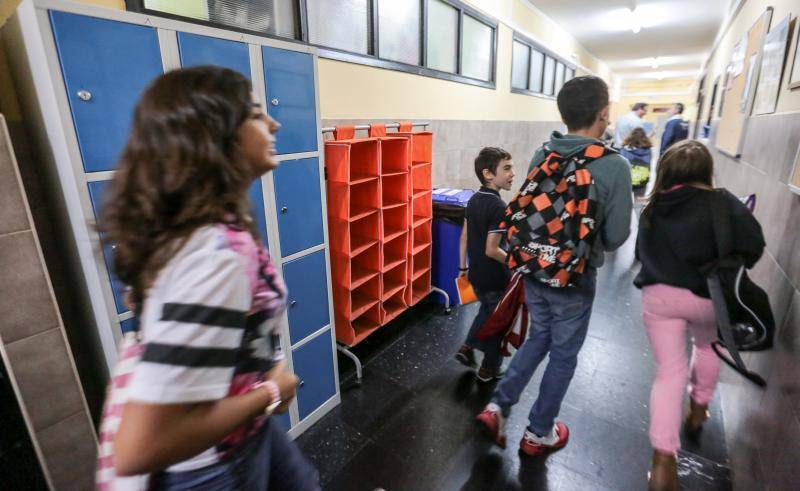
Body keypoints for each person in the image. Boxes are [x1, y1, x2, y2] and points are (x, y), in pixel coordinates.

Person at [100, 66, 320, 490]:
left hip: (245, 434)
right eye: (256, 114)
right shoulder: (214, 255)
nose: (273, 122)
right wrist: (270, 394)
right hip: (212, 467)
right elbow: (140, 447)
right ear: (216, 135)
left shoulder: (204, 229)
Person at [476, 76, 633, 455]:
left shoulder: (543, 153)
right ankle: (538, 433)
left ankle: (497, 406)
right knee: (563, 353)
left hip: (533, 266)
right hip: (574, 276)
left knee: (539, 337)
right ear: (603, 113)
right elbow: (615, 237)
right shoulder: (614, 166)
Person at [633, 140, 764, 490]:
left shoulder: (652, 207)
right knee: (706, 348)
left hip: (659, 298)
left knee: (668, 373)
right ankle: (699, 408)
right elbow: (755, 245)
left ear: (666, 172)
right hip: (711, 298)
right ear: (706, 171)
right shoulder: (723, 202)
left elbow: (643, 252)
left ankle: (663, 462)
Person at [455, 147, 515, 383]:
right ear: (488, 174)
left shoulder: (473, 200)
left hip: (477, 274)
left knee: (487, 311)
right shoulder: (499, 207)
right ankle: (489, 369)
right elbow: (492, 249)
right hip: (495, 276)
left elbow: (464, 237)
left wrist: (462, 269)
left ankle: (467, 347)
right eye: (507, 168)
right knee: (499, 322)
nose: (513, 174)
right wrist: (517, 262)